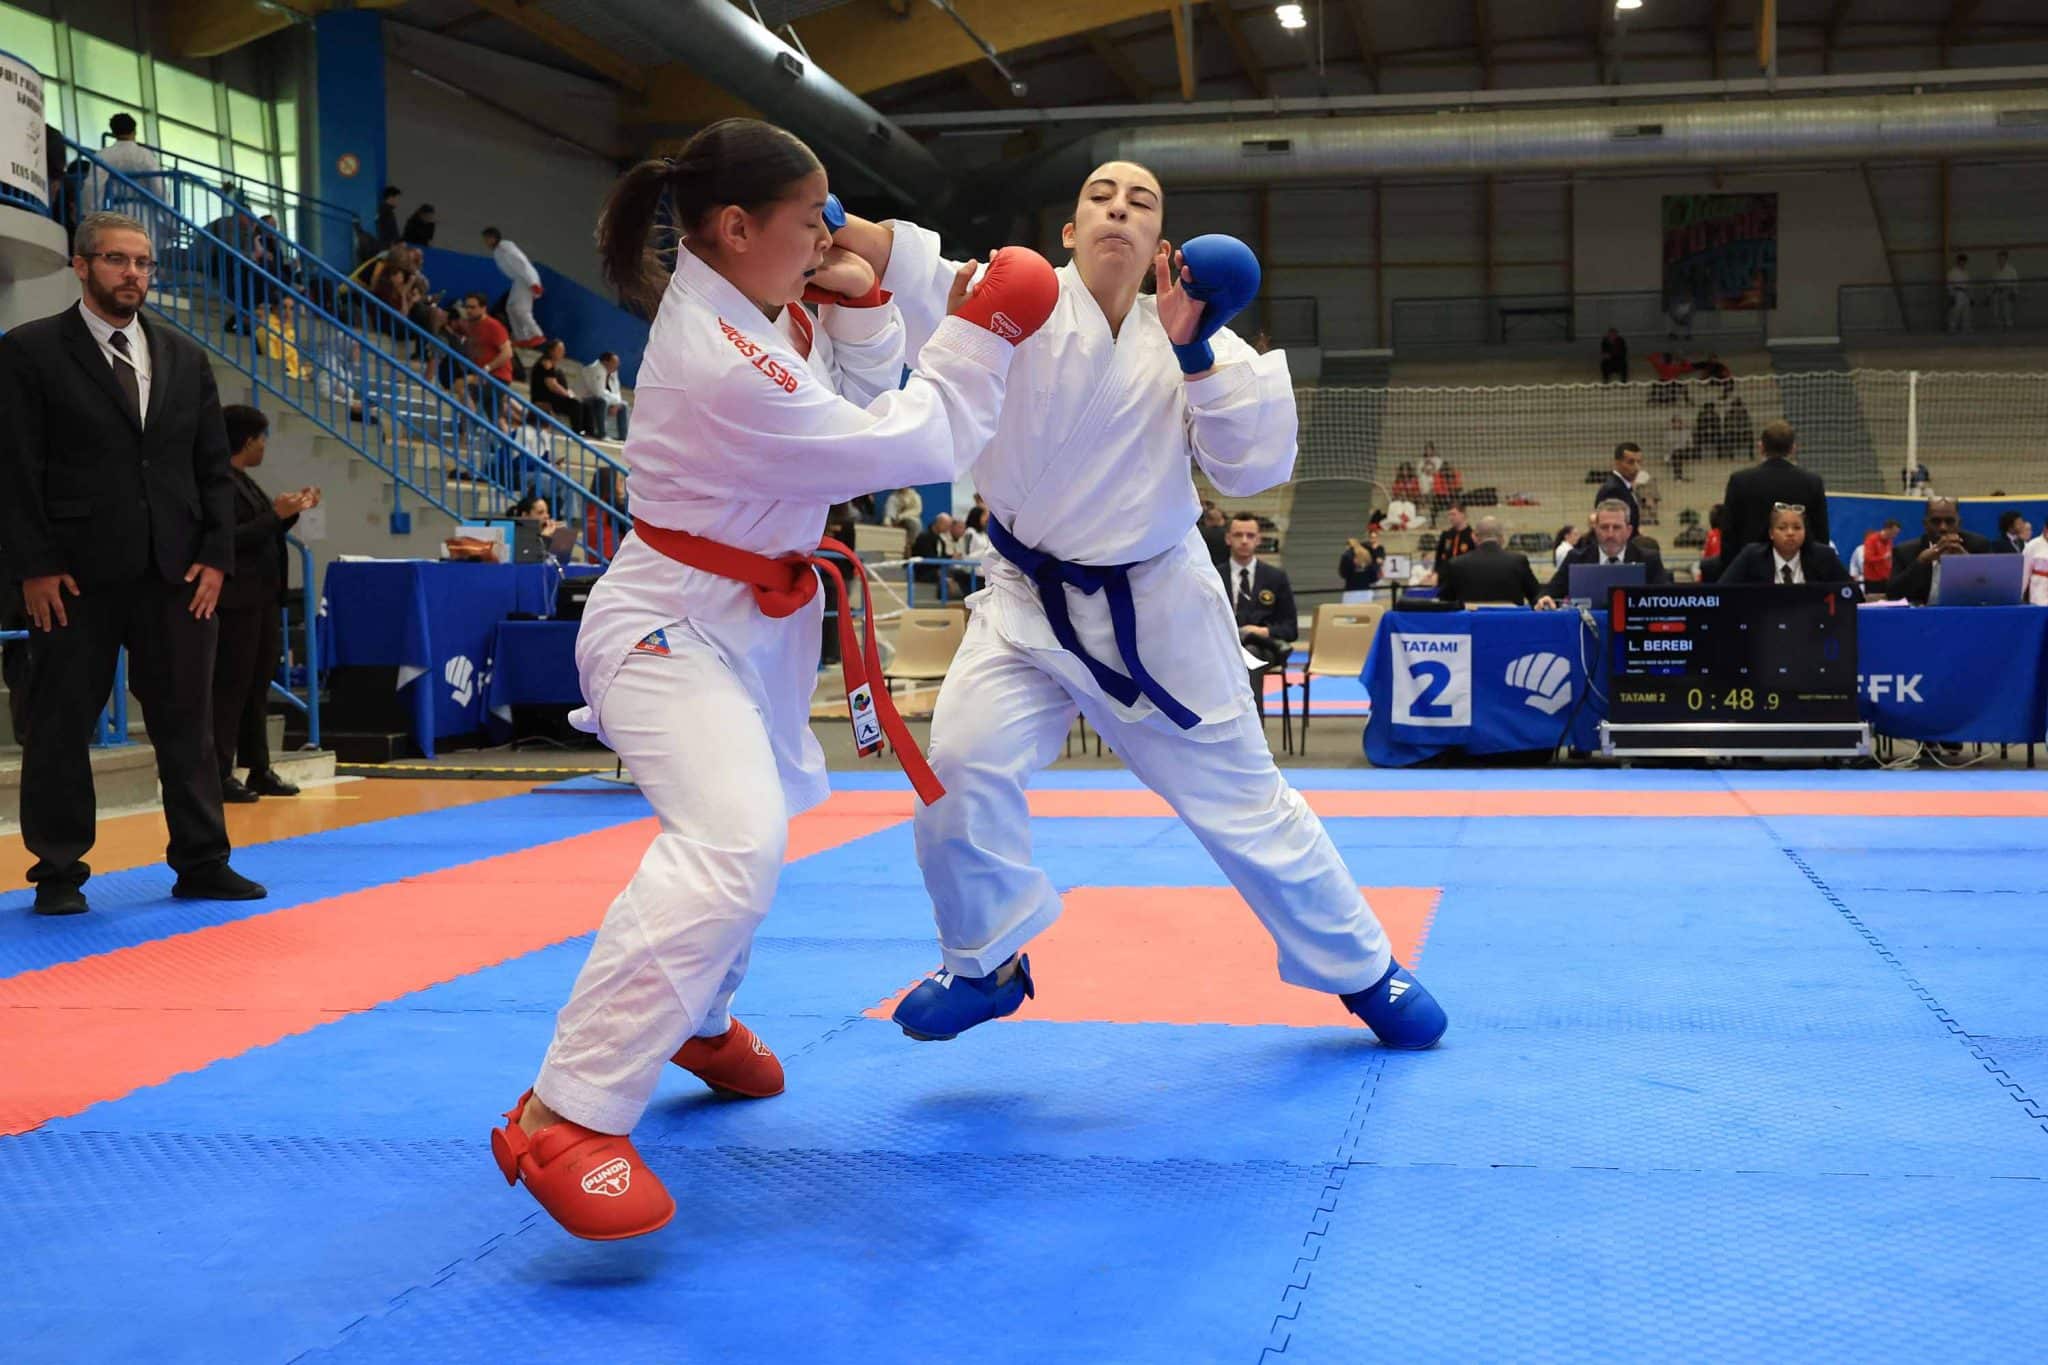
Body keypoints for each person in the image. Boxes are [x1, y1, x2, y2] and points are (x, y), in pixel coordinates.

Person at [488, 119, 1058, 1242]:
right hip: (667, 626)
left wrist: (860, 306)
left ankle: (696, 1022)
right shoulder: (717, 351)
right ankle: (565, 1112)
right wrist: (982, 332)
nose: (830, 234)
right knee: (731, 841)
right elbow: (899, 446)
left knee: (761, 825)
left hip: (748, 621)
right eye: (813, 220)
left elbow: (848, 411)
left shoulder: (757, 309)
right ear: (738, 228)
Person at [831, 161, 1446, 1053]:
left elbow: (1255, 467)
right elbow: (912, 262)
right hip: (1026, 602)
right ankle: (985, 963)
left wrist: (1195, 352)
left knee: (1245, 801)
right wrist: (826, 216)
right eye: (1100, 196)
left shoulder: (1198, 339)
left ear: (1162, 245)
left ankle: (1365, 968)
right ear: (1071, 230)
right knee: (958, 764)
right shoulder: (1016, 292)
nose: (1118, 207)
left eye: (1141, 202)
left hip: (1157, 608)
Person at [0, 211, 266, 916]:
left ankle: (203, 860)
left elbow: (212, 469)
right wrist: (33, 565)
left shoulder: (182, 356)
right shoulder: (30, 351)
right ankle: (59, 871)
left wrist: (216, 556)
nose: (133, 274)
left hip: (176, 574)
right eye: (117, 260)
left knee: (188, 724)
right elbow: (14, 468)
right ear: (81, 266)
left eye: (143, 263)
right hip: (72, 577)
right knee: (60, 725)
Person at [212, 406, 319, 803]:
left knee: (256, 688)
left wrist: (288, 515)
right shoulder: (218, 483)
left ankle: (258, 766)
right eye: (261, 438)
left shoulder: (244, 481)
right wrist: (276, 515)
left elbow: (262, 529)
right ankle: (219, 772)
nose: (264, 445)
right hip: (235, 602)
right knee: (230, 688)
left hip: (261, 600)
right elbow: (230, 539)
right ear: (246, 440)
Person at [1721, 419, 1828, 560]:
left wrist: (1732, 570)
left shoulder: (1740, 481)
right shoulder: (1812, 482)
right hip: (1799, 567)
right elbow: (1821, 535)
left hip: (1751, 567)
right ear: (1793, 449)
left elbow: (1729, 535)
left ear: (1761, 447)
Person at [1538, 499, 1670, 607]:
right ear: (1596, 529)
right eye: (1604, 527)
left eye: (1616, 527)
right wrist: (1545, 599)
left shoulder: (1648, 560)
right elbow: (1547, 593)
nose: (1610, 534)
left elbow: (1668, 599)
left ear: (1629, 531)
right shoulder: (1576, 558)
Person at [1221, 512, 1297, 667]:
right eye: (1238, 535)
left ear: (1258, 540)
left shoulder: (1276, 578)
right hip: (1224, 646)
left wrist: (1263, 631)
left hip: (1264, 648)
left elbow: (1290, 629)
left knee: (1251, 653)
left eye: (1250, 535)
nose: (1244, 541)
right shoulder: (1214, 577)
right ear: (1228, 539)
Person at [1887, 498, 1995, 605]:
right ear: (1925, 524)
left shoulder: (1978, 546)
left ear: (1959, 523)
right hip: (1922, 614)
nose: (1943, 528)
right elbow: (1892, 594)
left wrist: (1967, 563)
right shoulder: (1905, 551)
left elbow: (1993, 591)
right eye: (1935, 521)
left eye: (1949, 521)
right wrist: (1921, 562)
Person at [1718, 504, 1851, 585]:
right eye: (1782, 528)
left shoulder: (1824, 557)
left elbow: (1852, 593)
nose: (1790, 533)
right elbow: (1722, 592)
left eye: (1797, 528)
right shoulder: (1752, 557)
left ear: (1805, 532)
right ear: (1771, 533)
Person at [1436, 516, 1539, 606]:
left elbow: (1445, 601)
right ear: (1502, 538)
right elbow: (1537, 597)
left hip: (1471, 621)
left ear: (1474, 537)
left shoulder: (1456, 564)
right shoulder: (1518, 562)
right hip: (1510, 621)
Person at [81, 113, 160, 214]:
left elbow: (93, 185)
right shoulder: (145, 155)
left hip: (114, 211)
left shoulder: (103, 155)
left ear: (113, 133)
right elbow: (158, 187)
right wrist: (168, 217)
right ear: (134, 131)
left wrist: (89, 212)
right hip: (143, 212)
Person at [483, 227, 546, 348]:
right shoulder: (497, 251)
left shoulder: (505, 247)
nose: (485, 242)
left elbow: (522, 263)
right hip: (519, 280)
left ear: (493, 238)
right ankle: (522, 338)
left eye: (486, 239)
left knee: (521, 309)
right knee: (511, 308)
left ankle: (537, 335)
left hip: (526, 279)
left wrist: (533, 283)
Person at [528, 339, 586, 434]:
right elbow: (552, 385)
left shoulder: (555, 368)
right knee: (575, 404)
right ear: (551, 351)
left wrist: (570, 393)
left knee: (585, 405)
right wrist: (568, 395)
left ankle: (588, 432)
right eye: (559, 350)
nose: (563, 353)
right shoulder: (546, 364)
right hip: (543, 399)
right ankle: (577, 433)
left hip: (553, 398)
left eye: (563, 350)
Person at [578, 350, 630, 439]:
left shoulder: (613, 372)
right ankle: (602, 434)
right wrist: (615, 401)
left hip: (605, 400)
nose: (617, 366)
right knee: (602, 401)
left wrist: (617, 403)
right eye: (614, 363)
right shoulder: (595, 369)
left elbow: (617, 392)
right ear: (605, 362)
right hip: (586, 400)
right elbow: (599, 393)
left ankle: (623, 437)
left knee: (623, 405)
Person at [1595, 441, 1645, 533]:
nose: (1637, 467)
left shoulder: (1623, 487)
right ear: (1617, 463)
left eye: (1639, 462)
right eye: (1631, 462)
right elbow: (1613, 529)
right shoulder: (1613, 490)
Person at [1856, 519, 1900, 591]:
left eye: (1897, 533)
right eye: (1894, 533)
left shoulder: (1889, 540)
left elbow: (1888, 559)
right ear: (1887, 529)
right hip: (1873, 580)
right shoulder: (1871, 540)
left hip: (1885, 578)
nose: (1895, 536)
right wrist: (1883, 557)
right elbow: (1868, 558)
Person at [1432, 503, 1476, 570]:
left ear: (1462, 514)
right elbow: (1438, 556)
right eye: (1449, 515)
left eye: (1453, 514)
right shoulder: (1446, 534)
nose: (1451, 517)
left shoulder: (1472, 535)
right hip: (1447, 573)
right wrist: (1436, 571)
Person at [1339, 525, 1385, 590]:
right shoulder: (1364, 546)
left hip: (1375, 572)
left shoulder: (1380, 548)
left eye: (1375, 537)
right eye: (1371, 537)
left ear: (1377, 538)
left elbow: (1380, 560)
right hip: (1364, 575)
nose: (1373, 539)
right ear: (1369, 537)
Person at [1946, 253, 1973, 334]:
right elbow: (1949, 284)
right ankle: (1952, 328)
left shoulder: (1966, 273)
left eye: (1964, 261)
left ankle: (1966, 328)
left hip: (1965, 293)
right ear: (1958, 261)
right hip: (1957, 293)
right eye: (1961, 261)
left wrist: (1970, 297)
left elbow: (1968, 285)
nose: (1963, 263)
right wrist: (1951, 295)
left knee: (1966, 312)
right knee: (1955, 311)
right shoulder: (1952, 272)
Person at [1993, 251, 2020, 328]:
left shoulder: (2011, 270)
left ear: (2006, 259)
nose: (2000, 260)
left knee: (2007, 311)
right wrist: (1989, 294)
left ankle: (2008, 325)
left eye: (2002, 258)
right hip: (1997, 292)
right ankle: (2000, 325)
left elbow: (2015, 282)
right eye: (1999, 258)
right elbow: (1993, 283)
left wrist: (2014, 293)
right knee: (1996, 311)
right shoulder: (1996, 270)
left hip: (2007, 292)